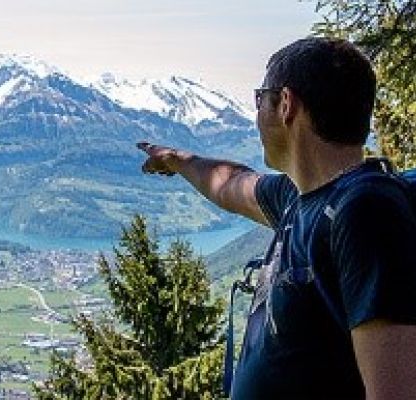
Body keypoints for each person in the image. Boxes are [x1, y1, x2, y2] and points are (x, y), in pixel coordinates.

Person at [137, 37, 416, 400]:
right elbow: (231, 184)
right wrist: (176, 159)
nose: (256, 115)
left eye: (259, 99)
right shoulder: (297, 196)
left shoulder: (364, 211)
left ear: (286, 104)